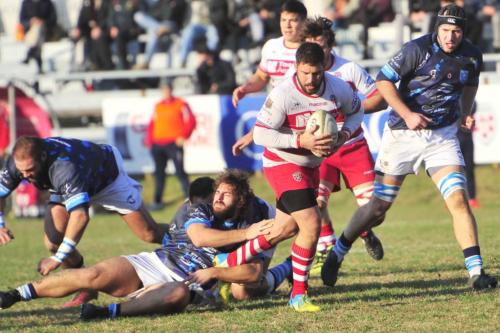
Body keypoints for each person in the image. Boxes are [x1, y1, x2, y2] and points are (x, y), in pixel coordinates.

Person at [321, 4, 497, 291]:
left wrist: (465, 111)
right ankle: (338, 251)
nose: (450, 37)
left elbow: (471, 83)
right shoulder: (416, 49)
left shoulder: (472, 55)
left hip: (442, 137)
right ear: (436, 28)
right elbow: (383, 81)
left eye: (456, 31)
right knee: (378, 208)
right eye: (445, 30)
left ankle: (476, 273)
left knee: (458, 200)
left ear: (463, 32)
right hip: (403, 135)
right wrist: (407, 114)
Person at [0, 170, 290, 319]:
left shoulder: (259, 215)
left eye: (226, 195)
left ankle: (108, 313)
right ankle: (17, 294)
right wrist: (248, 234)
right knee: (94, 275)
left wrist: (215, 272)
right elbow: (201, 237)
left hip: (192, 282)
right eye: (218, 192)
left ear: (240, 201)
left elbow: (253, 272)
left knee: (240, 289)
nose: (218, 198)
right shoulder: (202, 206)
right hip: (157, 262)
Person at [213, 42, 364, 312]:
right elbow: (260, 134)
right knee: (311, 223)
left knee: (286, 228)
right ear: (296, 67)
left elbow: (357, 111)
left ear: (324, 68)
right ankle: (298, 295)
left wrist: (343, 135)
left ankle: (228, 261)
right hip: (282, 163)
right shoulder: (283, 93)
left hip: (310, 167)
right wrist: (300, 139)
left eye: (316, 73)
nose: (310, 79)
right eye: (305, 73)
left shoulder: (337, 88)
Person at [0, 136, 171, 305]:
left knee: (149, 233)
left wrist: (58, 258)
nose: (24, 175)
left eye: (30, 170)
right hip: (70, 183)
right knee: (53, 241)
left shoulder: (65, 167)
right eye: (21, 171)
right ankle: (86, 289)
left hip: (106, 178)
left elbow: (80, 216)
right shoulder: (19, 162)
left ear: (43, 157)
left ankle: (188, 239)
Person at [293, 17, 388, 274]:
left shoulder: (349, 70)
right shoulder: (300, 75)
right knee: (316, 204)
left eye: (321, 45)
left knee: (375, 212)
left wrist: (350, 108)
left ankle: (365, 231)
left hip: (352, 145)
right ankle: (328, 247)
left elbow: (380, 99)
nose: (316, 50)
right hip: (321, 151)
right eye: (310, 44)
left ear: (330, 45)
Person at [231, 0, 308, 156]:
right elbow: (261, 76)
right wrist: (246, 88)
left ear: (304, 22)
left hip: (303, 119)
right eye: (284, 20)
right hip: (277, 118)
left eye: (293, 20)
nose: (287, 25)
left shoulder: (311, 50)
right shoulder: (271, 46)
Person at [145, 81, 196, 210]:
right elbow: (152, 123)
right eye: (163, 90)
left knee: (180, 172)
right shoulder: (158, 106)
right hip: (158, 144)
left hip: (173, 143)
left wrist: (184, 135)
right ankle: (157, 201)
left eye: (167, 89)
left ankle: (191, 200)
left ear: (171, 90)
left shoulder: (181, 103)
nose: (165, 92)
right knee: (159, 173)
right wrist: (150, 141)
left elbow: (191, 121)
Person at [19, 0, 57, 73]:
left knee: (37, 29)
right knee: (36, 32)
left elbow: (53, 19)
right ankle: (34, 56)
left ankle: (30, 53)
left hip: (45, 31)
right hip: (30, 31)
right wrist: (31, 21)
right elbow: (22, 20)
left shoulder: (47, 3)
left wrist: (42, 22)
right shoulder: (26, 3)